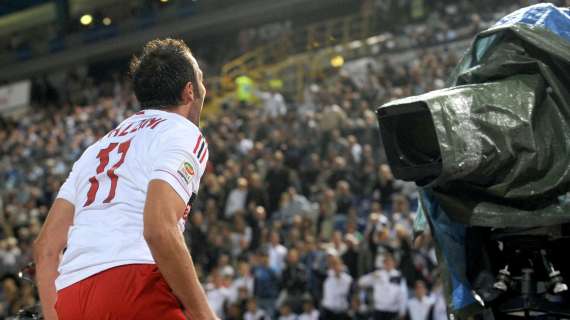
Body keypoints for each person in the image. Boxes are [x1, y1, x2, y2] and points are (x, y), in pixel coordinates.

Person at [33, 38, 218, 320]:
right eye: (202, 80)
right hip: (134, 282)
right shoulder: (182, 131)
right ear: (190, 91)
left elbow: (46, 248)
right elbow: (158, 229)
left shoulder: (96, 149)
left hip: (72, 296)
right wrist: (204, 314)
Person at [358, 254, 407, 320]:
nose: (388, 263)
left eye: (390, 262)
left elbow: (403, 294)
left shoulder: (399, 276)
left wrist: (402, 311)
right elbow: (361, 282)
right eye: (386, 262)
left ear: (394, 263)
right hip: (379, 309)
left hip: (393, 310)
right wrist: (371, 275)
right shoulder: (378, 274)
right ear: (383, 263)